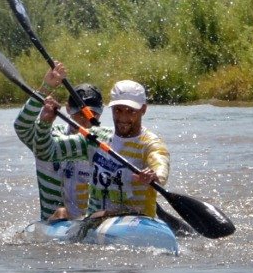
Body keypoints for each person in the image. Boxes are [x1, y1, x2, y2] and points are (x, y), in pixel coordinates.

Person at [35, 77, 170, 220]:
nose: (123, 117)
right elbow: (45, 151)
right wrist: (44, 123)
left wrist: (155, 175)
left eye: (131, 111)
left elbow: (160, 163)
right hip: (95, 223)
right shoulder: (95, 138)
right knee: (64, 214)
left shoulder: (150, 143)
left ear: (143, 109)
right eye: (118, 110)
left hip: (139, 222)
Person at [13, 62, 102, 221]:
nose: (86, 120)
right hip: (53, 223)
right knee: (62, 212)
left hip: (88, 223)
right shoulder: (47, 136)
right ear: (68, 109)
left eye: (92, 115)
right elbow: (21, 127)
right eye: (81, 114)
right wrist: (45, 89)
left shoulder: (103, 142)